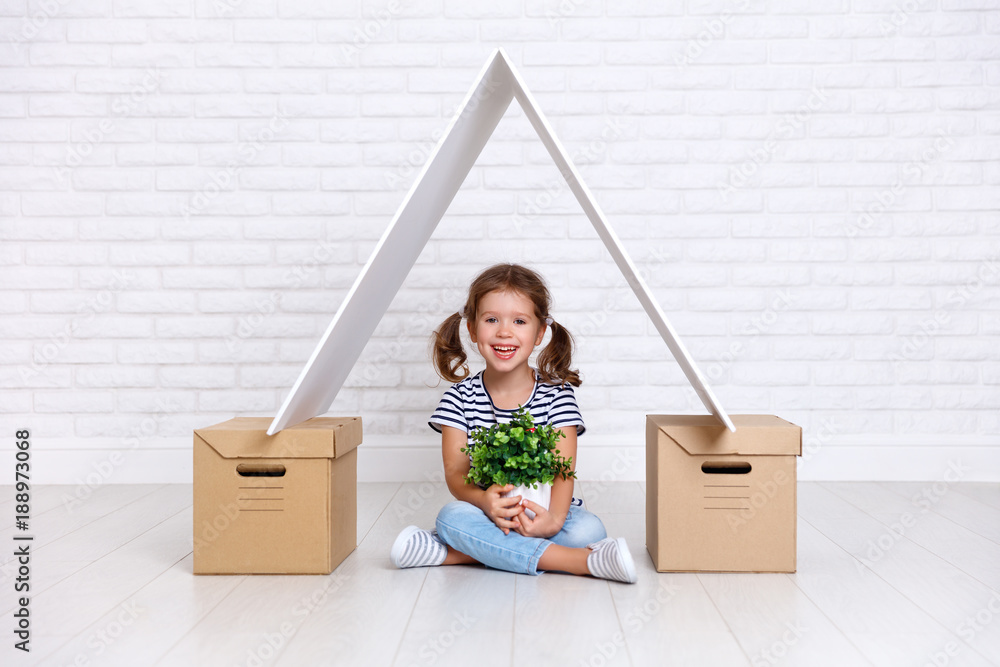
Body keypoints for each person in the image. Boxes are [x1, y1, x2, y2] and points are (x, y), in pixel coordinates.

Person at [389, 263, 636, 583]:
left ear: (539, 333)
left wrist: (553, 520)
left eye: (519, 321)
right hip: (487, 513)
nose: (504, 332)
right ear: (473, 329)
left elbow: (563, 469)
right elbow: (456, 473)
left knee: (588, 529)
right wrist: (483, 501)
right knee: (452, 518)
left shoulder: (557, 396)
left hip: (543, 510)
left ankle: (453, 553)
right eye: (492, 320)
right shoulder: (459, 399)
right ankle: (582, 562)